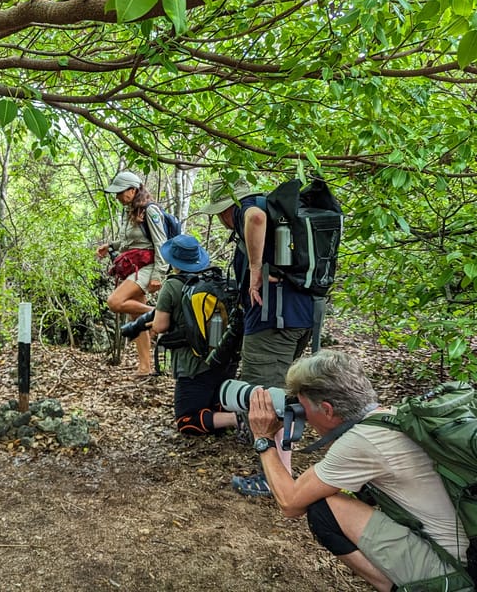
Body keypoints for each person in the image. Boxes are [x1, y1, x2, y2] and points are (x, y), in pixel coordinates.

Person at [247, 350, 472, 592]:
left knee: (323, 510)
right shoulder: (391, 417)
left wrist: (264, 438)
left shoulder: (361, 442)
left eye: (303, 409)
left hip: (456, 570)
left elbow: (290, 503)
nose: (305, 418)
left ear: (328, 410)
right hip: (469, 550)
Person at [202, 179, 313, 495]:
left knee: (264, 396)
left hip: (272, 321)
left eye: (222, 213)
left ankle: (275, 478)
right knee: (276, 391)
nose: (223, 221)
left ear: (229, 207)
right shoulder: (282, 218)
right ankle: (278, 470)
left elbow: (255, 220)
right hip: (296, 317)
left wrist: (253, 270)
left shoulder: (253, 209)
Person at [149, 234, 239, 436]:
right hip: (225, 361)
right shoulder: (215, 280)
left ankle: (239, 419)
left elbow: (160, 325)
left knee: (186, 421)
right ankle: (228, 416)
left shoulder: (172, 285)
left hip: (193, 366)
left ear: (174, 262)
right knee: (214, 406)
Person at [96, 171, 169, 376]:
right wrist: (110, 245)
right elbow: (130, 241)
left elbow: (160, 243)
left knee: (115, 302)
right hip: (134, 266)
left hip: (148, 267)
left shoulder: (150, 211)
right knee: (137, 317)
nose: (118, 196)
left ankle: (162, 315)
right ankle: (144, 367)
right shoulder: (130, 211)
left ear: (133, 190)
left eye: (121, 192)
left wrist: (158, 275)